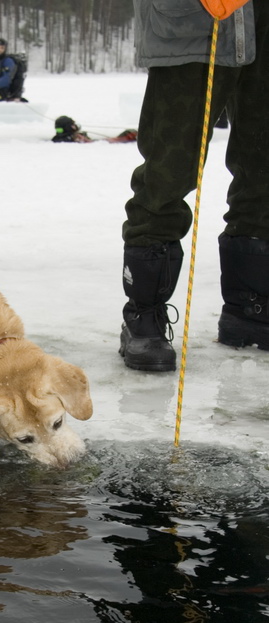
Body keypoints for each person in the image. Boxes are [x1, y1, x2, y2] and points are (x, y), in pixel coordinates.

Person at [119, 0, 269, 372]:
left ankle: (252, 306)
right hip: (191, 23)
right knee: (170, 170)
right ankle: (144, 315)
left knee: (263, 167)